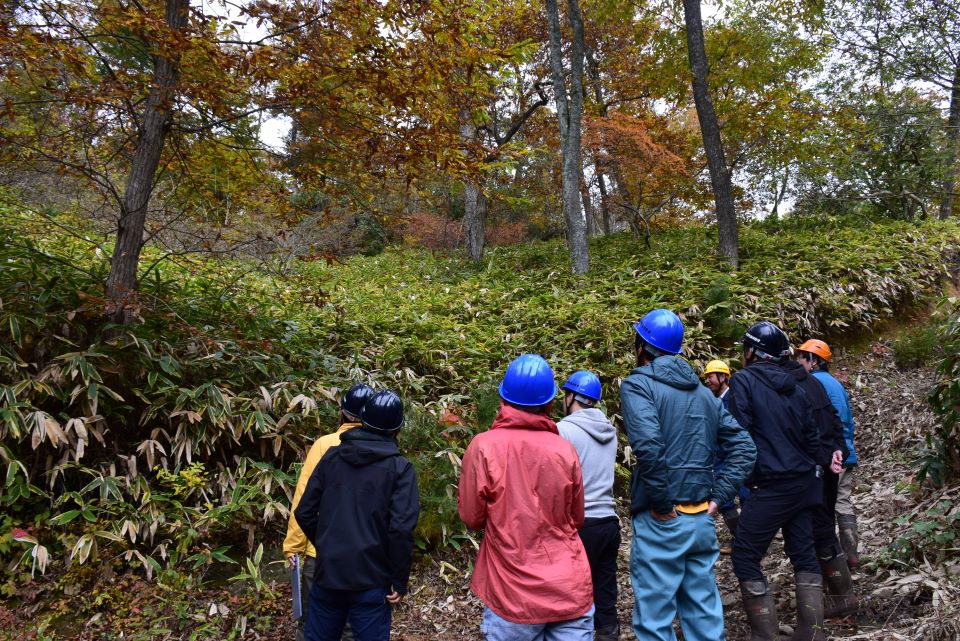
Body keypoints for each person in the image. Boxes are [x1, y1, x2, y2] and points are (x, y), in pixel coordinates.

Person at [621, 309, 756, 641]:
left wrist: (663, 503)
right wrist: (718, 497)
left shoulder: (638, 386)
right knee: (703, 617)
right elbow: (745, 447)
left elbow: (650, 448)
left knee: (655, 621)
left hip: (662, 519)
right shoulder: (703, 395)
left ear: (642, 345)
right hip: (700, 521)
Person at [459, 354, 595, 641]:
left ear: (503, 399)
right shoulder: (563, 449)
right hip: (569, 587)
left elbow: (472, 518)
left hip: (512, 593)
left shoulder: (483, 447)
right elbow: (577, 518)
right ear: (549, 403)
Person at [295, 390, 420, 641]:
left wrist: (327, 544)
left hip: (328, 573)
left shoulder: (332, 456)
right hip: (372, 579)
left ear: (362, 420)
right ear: (397, 430)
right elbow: (401, 529)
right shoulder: (400, 469)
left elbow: (305, 510)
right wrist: (398, 579)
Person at [727, 321, 824, 641]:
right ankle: (812, 633)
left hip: (772, 483)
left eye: (745, 349)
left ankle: (765, 635)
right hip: (804, 481)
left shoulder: (743, 381)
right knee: (804, 552)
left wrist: (746, 478)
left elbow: (739, 432)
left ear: (753, 352)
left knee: (744, 554)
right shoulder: (796, 383)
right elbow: (812, 435)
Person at [285, 383, 374, 641]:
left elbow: (304, 501)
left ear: (342, 413)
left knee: (314, 623)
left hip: (322, 553)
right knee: (352, 628)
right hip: (365, 557)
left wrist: (294, 546)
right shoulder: (385, 451)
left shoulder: (325, 445)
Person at [797, 339, 860, 618]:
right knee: (842, 504)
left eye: (803, 356)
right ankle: (851, 555)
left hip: (830, 456)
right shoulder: (835, 383)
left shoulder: (815, 384)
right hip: (845, 452)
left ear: (815, 360)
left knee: (825, 513)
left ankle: (838, 568)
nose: (799, 361)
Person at [557, 370, 620, 641]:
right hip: (609, 520)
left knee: (572, 593)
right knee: (604, 587)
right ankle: (609, 632)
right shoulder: (609, 430)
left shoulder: (563, 430)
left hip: (581, 524)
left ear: (572, 396)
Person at [702, 359, 742, 551]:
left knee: (746, 496)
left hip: (734, 454)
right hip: (719, 456)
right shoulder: (712, 401)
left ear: (723, 377)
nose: (708, 381)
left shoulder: (734, 399)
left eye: (710, 376)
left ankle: (748, 540)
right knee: (724, 499)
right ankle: (741, 536)